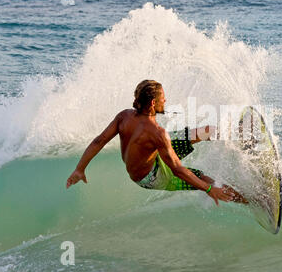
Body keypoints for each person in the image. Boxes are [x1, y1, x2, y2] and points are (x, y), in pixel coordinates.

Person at [66, 79, 248, 205]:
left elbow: (99, 141)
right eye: (163, 98)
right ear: (153, 103)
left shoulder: (124, 116)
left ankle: (241, 136)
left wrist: (80, 168)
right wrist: (208, 189)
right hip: (152, 177)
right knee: (203, 179)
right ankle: (252, 202)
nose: (166, 101)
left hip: (153, 157)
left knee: (205, 131)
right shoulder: (157, 134)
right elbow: (177, 170)